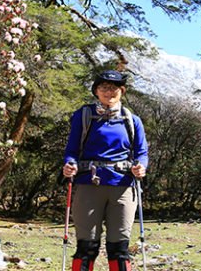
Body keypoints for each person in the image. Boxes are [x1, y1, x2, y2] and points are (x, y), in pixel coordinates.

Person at [63, 70, 149, 271]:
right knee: (86, 246)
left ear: (122, 91)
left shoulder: (132, 120)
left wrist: (141, 167)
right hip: (88, 184)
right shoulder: (83, 116)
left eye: (114, 88)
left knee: (119, 247)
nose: (109, 92)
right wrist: (69, 165)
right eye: (104, 88)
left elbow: (142, 152)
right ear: (96, 91)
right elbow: (72, 150)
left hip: (123, 186)